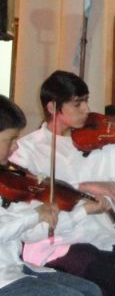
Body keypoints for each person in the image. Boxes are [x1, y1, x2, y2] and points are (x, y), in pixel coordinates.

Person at [11, 70, 115, 296]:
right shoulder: (26, 150)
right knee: (109, 273)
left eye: (86, 101)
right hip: (58, 242)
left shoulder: (100, 141)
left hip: (99, 234)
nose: (87, 110)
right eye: (77, 104)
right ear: (52, 107)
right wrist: (84, 186)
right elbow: (35, 204)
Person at [0, 95, 102, 296]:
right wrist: (35, 215)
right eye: (10, 139)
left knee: (91, 290)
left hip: (12, 266)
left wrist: (60, 213)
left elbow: (27, 233)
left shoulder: (7, 180)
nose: (16, 146)